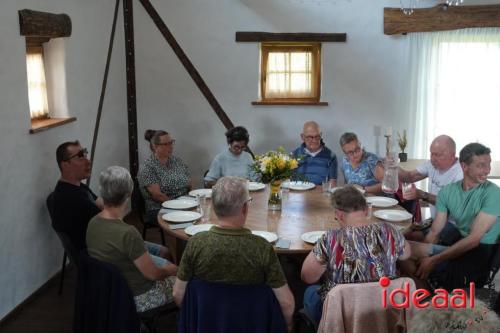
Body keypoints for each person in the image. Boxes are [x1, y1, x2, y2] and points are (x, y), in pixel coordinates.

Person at [173, 176, 295, 331]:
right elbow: (287, 303)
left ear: (215, 207)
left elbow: (178, 294)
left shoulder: (196, 244)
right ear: (245, 208)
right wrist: (289, 325)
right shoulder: (261, 248)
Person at [301, 186, 411, 324]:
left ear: (339, 214)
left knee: (310, 292)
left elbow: (308, 276)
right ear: (366, 210)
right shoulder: (389, 230)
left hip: (343, 314)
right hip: (384, 308)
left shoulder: (331, 239)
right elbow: (406, 255)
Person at [404, 143, 500, 290]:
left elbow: (474, 240)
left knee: (416, 262)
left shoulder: (493, 193)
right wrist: (425, 256)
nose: (487, 170)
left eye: (488, 165)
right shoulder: (447, 192)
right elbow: (435, 232)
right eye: (481, 165)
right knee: (401, 249)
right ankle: (429, 294)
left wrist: (434, 260)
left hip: (481, 252)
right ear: (464, 166)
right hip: (459, 244)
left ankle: (429, 297)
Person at [86, 166, 177, 313]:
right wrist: (174, 270)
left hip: (111, 292)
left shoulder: (93, 223)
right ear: (129, 194)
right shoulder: (128, 233)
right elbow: (154, 274)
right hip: (137, 296)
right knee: (187, 284)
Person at [399, 135, 463, 244]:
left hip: (454, 224)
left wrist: (423, 195)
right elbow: (409, 176)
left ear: (452, 155)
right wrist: (392, 167)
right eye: (431, 153)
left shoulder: (460, 173)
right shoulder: (432, 164)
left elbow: (452, 205)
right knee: (405, 236)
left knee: (417, 245)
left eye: (437, 155)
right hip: (435, 220)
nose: (432, 158)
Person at [51, 140, 103, 251]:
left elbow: (101, 203)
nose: (88, 161)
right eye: (80, 157)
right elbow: (110, 221)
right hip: (101, 257)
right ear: (65, 165)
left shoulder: (77, 187)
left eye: (85, 154)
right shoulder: (71, 198)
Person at [138, 130, 192, 223]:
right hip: (159, 207)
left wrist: (191, 200)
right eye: (166, 144)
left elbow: (189, 182)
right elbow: (157, 195)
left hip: (182, 203)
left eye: (171, 143)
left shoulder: (176, 161)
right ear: (155, 146)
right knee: (187, 219)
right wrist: (177, 206)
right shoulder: (147, 167)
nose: (170, 147)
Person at [292, 121, 337, 185]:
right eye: (310, 137)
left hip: (321, 193)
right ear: (302, 137)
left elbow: (333, 183)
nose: (314, 140)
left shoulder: (331, 156)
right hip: (299, 192)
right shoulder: (294, 154)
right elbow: (289, 181)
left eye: (317, 136)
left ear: (321, 135)